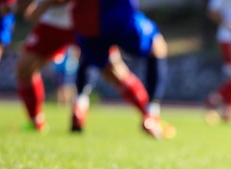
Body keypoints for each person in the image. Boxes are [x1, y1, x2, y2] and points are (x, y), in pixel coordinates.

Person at [69, 0, 174, 139]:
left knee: (107, 67)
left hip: (87, 20)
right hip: (116, 14)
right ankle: (152, 114)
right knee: (157, 45)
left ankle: (80, 106)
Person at [15, 0, 76, 131]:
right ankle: (36, 121)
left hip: (80, 20)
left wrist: (44, 5)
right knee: (24, 68)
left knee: (111, 69)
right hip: (51, 23)